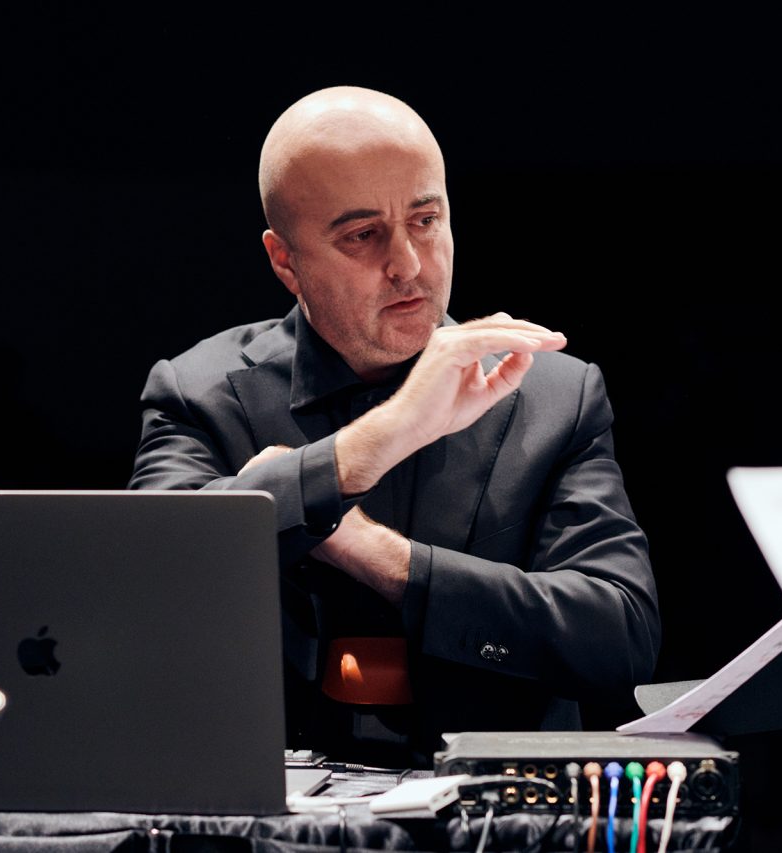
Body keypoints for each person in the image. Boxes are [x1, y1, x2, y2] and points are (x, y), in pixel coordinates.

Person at [129, 87, 659, 767]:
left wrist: (380, 557)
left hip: (487, 807)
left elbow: (618, 638)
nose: (409, 264)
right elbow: (144, 584)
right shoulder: (197, 392)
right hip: (262, 807)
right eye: (362, 235)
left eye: (426, 219)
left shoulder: (557, 395)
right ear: (285, 260)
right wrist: (376, 443)